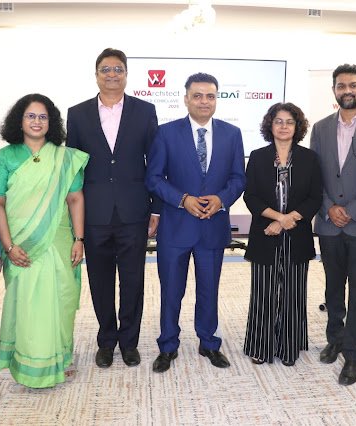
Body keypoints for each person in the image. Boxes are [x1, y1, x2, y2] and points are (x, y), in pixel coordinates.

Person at [146, 72, 246, 373]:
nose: (204, 101)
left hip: (212, 226)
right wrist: (183, 199)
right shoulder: (166, 133)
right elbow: (154, 178)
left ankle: (209, 342)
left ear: (217, 99)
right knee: (171, 291)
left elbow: (238, 178)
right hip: (176, 226)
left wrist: (221, 200)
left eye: (210, 96)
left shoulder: (232, 134)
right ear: (186, 99)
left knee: (208, 290)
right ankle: (168, 345)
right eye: (198, 95)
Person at [67, 48, 159, 368]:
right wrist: (75, 221)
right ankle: (107, 341)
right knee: (100, 281)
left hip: (134, 212)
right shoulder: (77, 114)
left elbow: (155, 163)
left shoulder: (144, 111)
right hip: (94, 214)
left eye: (118, 69)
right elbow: (72, 170)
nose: (112, 75)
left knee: (133, 281)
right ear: (96, 75)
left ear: (126, 75)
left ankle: (129, 342)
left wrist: (156, 209)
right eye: (105, 69)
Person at [0, 94, 89, 388]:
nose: (37, 122)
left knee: (61, 298)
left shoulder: (65, 157)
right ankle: (27, 362)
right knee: (26, 302)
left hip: (58, 240)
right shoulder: (6, 157)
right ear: (19, 121)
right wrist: (9, 246)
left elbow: (75, 199)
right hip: (19, 243)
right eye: (31, 116)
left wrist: (79, 239)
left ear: (52, 122)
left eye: (43, 117)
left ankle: (61, 357)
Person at [310, 64, 356, 385]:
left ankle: (353, 352)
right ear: (334, 90)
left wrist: (352, 210)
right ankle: (335, 338)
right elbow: (314, 175)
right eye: (341, 86)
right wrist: (329, 207)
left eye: (353, 85)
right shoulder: (321, 128)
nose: (347, 90)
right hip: (329, 223)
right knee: (333, 286)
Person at [243, 103, 322, 367]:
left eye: (289, 121)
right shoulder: (257, 157)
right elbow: (251, 196)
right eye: (278, 121)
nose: (284, 126)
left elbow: (315, 198)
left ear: (297, 127)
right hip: (265, 232)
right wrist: (278, 218)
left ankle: (289, 347)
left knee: (293, 294)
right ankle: (260, 346)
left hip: (297, 235)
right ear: (270, 125)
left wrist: (289, 220)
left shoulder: (310, 158)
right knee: (263, 293)